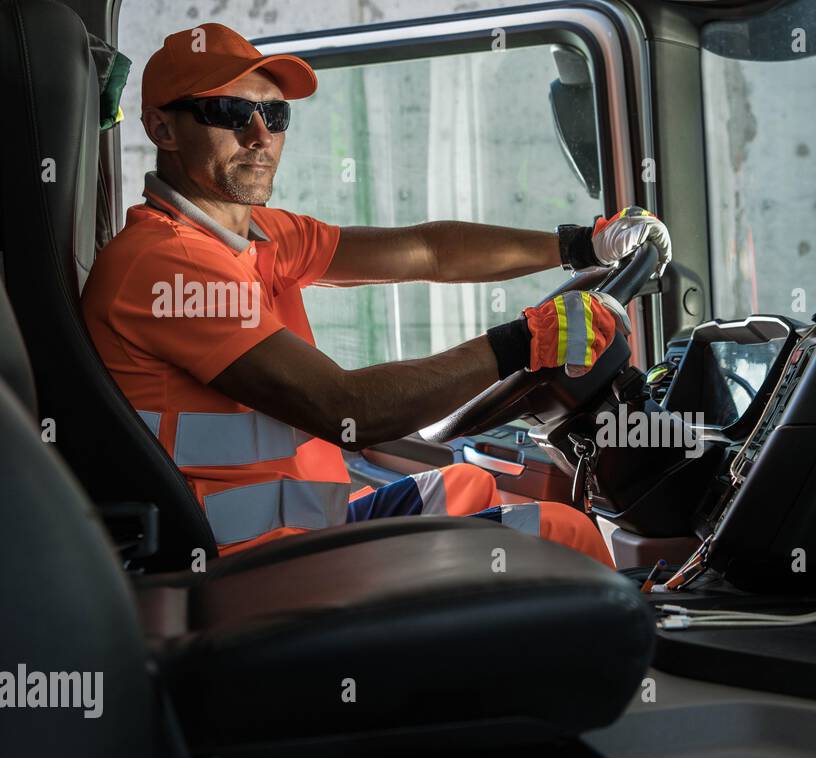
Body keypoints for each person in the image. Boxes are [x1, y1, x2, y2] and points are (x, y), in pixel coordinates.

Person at [82, 23, 672, 566]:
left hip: (308, 529)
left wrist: (583, 245)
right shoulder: (168, 265)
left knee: (469, 483)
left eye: (274, 113)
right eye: (229, 111)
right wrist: (526, 341)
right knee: (563, 537)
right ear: (162, 128)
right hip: (251, 565)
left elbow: (428, 250)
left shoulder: (255, 233)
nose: (259, 135)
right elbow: (350, 411)